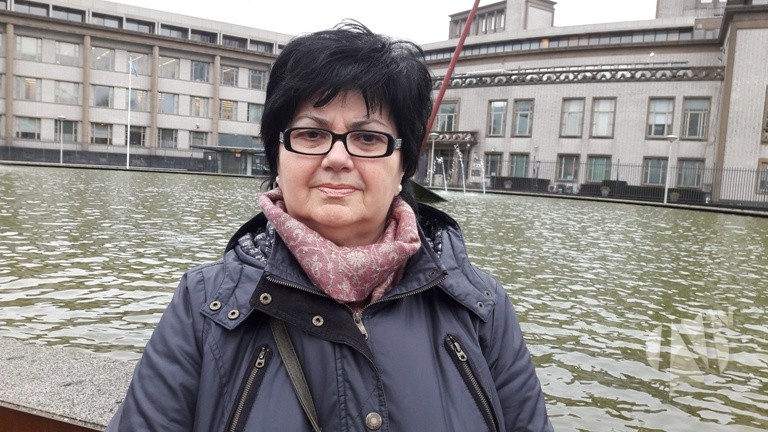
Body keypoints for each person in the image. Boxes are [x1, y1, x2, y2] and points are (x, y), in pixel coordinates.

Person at [107, 21, 552, 432]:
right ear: (278, 155)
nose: (337, 158)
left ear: (404, 164)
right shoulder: (206, 304)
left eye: (368, 138)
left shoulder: (480, 306)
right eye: (311, 134)